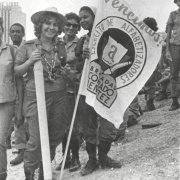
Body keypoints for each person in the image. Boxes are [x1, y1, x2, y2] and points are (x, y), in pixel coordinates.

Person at [14, 7, 72, 180]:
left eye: (55, 24)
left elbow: (64, 67)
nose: (51, 27)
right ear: (40, 25)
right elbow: (17, 71)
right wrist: (31, 61)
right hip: (35, 96)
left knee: (56, 134)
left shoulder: (60, 46)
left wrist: (66, 72)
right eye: (48, 23)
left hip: (59, 95)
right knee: (36, 140)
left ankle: (44, 170)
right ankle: (30, 174)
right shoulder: (28, 46)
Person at [76, 6, 122, 176]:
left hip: (107, 86)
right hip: (88, 88)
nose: (82, 21)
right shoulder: (82, 41)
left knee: (108, 123)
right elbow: (79, 67)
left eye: (85, 17)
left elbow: (118, 59)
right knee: (89, 124)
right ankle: (91, 160)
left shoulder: (109, 36)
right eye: (80, 18)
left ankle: (104, 157)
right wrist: (84, 57)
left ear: (96, 16)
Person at [55, 12, 81, 172]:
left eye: (74, 25)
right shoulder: (57, 43)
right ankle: (66, 157)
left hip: (74, 88)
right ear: (63, 26)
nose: (71, 27)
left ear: (78, 28)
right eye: (68, 24)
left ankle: (76, 158)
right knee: (62, 126)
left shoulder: (81, 43)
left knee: (74, 126)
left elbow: (81, 65)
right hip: (59, 89)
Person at [0, 18, 21, 180]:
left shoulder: (11, 50)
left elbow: (18, 79)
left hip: (6, 102)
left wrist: (19, 106)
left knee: (0, 140)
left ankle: (2, 175)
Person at [8, 23, 27, 166]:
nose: (15, 34)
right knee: (17, 119)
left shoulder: (27, 47)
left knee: (25, 118)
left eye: (18, 32)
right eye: (13, 32)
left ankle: (27, 151)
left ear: (23, 33)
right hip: (11, 88)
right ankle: (20, 149)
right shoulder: (7, 49)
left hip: (27, 86)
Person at [141, 17, 161, 112]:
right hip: (153, 62)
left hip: (149, 62)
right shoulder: (155, 36)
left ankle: (149, 103)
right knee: (150, 84)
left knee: (148, 84)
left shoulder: (148, 36)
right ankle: (149, 103)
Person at [166, 0, 180, 110]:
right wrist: (167, 50)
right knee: (174, 74)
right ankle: (175, 101)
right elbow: (168, 33)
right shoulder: (173, 15)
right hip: (175, 46)